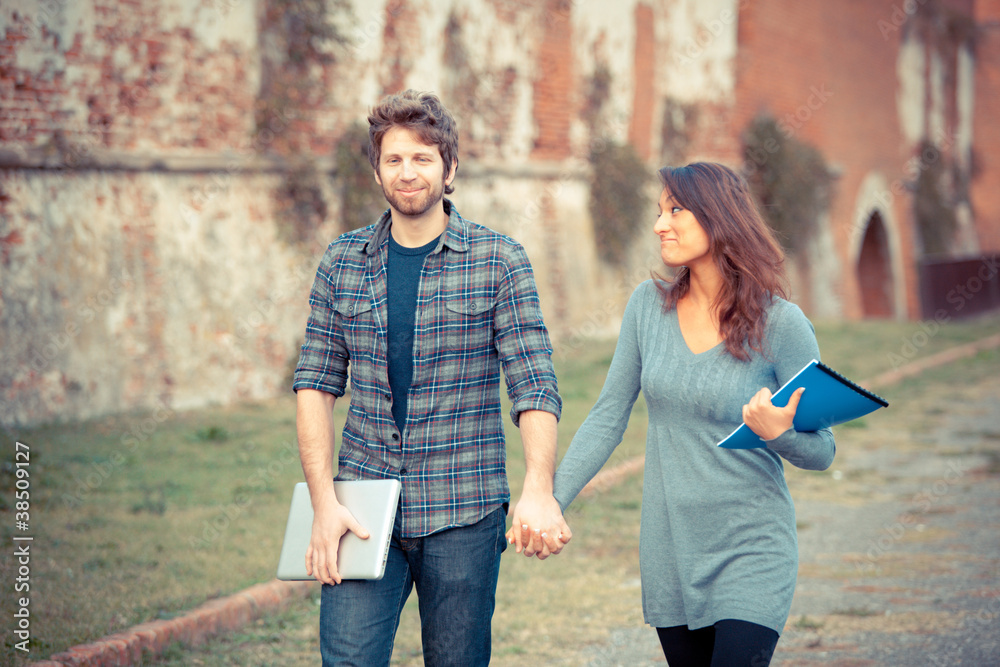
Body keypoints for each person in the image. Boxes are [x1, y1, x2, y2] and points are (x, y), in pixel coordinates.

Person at [291, 89, 570, 667]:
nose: (407, 171)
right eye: (393, 159)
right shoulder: (343, 262)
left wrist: (538, 488)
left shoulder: (499, 260)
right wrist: (323, 504)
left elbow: (534, 384)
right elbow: (314, 385)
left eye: (422, 157)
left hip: (463, 510)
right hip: (361, 507)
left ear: (450, 168)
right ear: (376, 171)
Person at [546, 162, 836, 666]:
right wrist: (552, 501)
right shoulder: (646, 307)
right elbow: (608, 416)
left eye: (676, 210)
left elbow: (823, 450)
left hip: (751, 548)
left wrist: (780, 433)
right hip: (671, 551)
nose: (660, 224)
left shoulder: (782, 325)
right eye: (659, 211)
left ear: (720, 217)